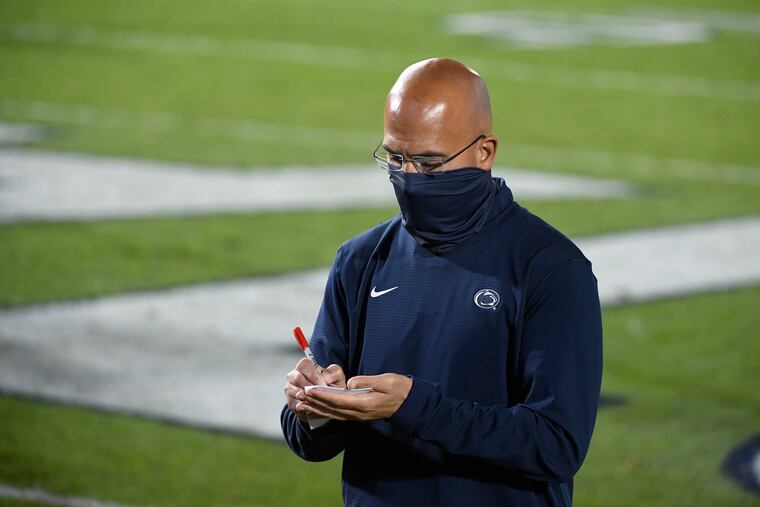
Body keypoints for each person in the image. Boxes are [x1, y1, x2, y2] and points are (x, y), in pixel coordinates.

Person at [281, 57, 603, 507]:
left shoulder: (550, 269)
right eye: (395, 158)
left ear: (484, 152)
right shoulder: (359, 260)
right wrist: (313, 406)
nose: (408, 179)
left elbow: (556, 445)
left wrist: (413, 408)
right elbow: (311, 443)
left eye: (429, 164)